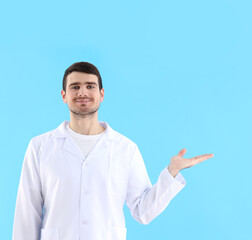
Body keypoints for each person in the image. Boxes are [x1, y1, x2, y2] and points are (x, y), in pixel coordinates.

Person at [12, 62, 214, 240]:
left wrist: (171, 173)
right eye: (75, 87)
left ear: (101, 94)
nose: (82, 92)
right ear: (64, 96)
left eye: (90, 86)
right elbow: (27, 215)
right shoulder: (40, 147)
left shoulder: (125, 149)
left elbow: (143, 211)